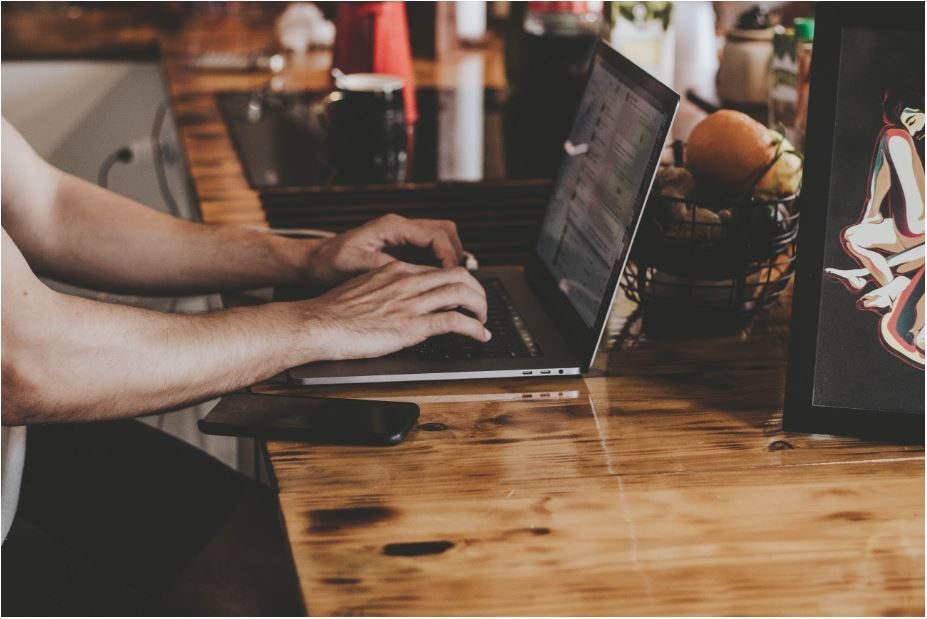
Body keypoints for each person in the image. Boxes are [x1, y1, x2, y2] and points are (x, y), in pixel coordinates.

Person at [0, 117, 490, 614]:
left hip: (23, 445)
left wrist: (307, 259)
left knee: (290, 567)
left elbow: (44, 205)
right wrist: (320, 322)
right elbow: (23, 362)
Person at [824, 82, 924, 365]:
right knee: (855, 236)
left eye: (916, 119)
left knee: (893, 138)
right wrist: (872, 214)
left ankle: (888, 286)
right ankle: (891, 287)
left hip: (919, 230)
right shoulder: (903, 137)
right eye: (909, 121)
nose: (915, 129)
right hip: (913, 233)